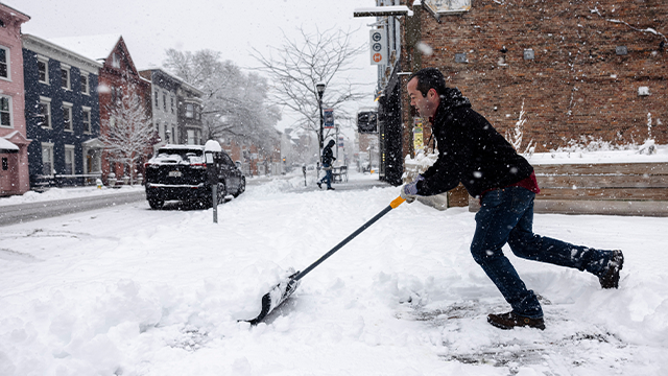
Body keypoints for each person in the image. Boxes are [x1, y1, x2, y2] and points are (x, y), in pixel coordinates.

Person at [400, 67, 624, 330]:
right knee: (523, 244)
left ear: (432, 94)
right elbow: (449, 162)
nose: (412, 103)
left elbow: (451, 173)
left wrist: (420, 188)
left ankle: (527, 310)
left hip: (506, 186)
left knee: (484, 249)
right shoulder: (449, 116)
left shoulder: (454, 120)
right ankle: (601, 261)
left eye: (413, 96)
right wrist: (420, 182)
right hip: (517, 181)